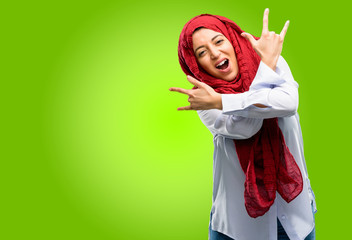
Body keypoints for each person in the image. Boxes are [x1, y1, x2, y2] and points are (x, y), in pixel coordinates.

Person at [169, 9, 316, 240]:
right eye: (202, 52)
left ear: (232, 38)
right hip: (238, 227)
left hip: (295, 216)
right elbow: (247, 127)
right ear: (195, 64)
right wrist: (266, 71)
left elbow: (288, 103)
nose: (215, 53)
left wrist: (221, 101)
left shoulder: (270, 61)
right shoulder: (202, 96)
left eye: (219, 41)